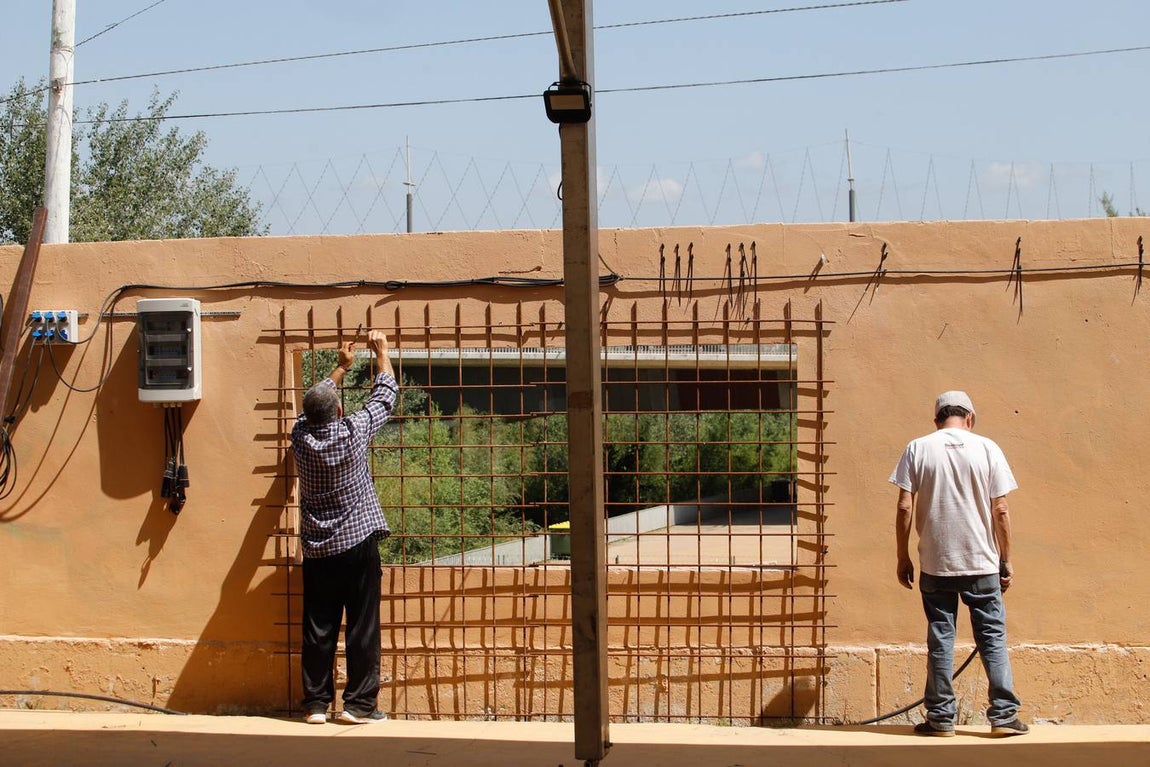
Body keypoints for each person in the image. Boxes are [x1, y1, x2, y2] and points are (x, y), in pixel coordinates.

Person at [889, 390, 1028, 737]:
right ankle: (1004, 716)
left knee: (940, 638)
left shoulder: (918, 448)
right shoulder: (988, 448)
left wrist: (903, 555)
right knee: (992, 637)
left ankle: (940, 719)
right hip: (982, 561)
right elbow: (1001, 510)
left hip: (935, 562)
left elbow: (905, 506)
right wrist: (1006, 559)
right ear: (970, 418)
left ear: (936, 419)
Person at [291, 329, 397, 725]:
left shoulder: (300, 437)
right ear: (338, 412)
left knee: (318, 626)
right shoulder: (353, 433)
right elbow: (385, 395)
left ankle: (316, 704)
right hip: (357, 542)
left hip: (318, 548)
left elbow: (315, 401)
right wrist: (381, 353)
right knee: (362, 625)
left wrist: (340, 367)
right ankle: (359, 706)